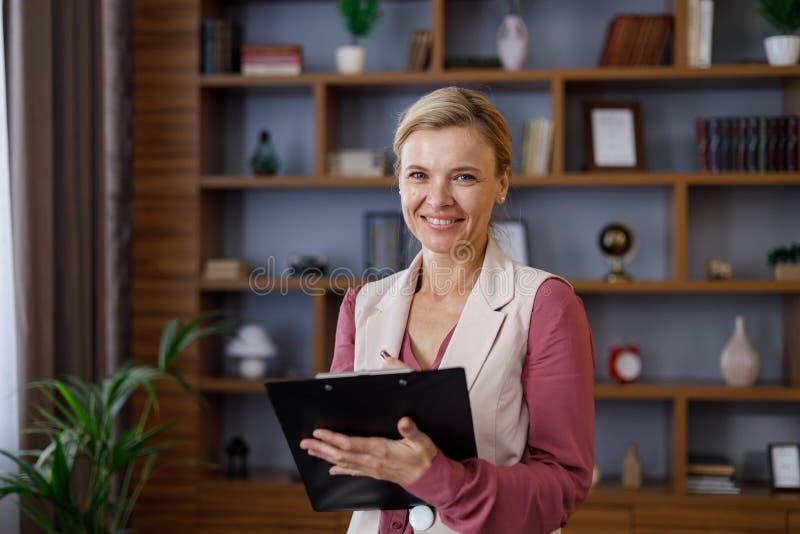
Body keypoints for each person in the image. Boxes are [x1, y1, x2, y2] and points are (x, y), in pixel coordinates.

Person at [299, 87, 595, 534]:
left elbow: (563, 487)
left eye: (464, 177)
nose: (437, 199)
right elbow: (346, 470)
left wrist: (437, 475)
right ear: (398, 181)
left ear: (502, 185)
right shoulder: (363, 305)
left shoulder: (546, 305)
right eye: (419, 175)